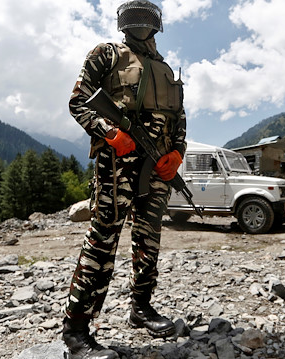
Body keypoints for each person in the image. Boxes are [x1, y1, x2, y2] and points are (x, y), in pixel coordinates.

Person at [62, 1, 186, 358]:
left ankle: (141, 308)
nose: (142, 19)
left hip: (159, 164)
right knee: (103, 239)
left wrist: (176, 152)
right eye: (136, 12)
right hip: (118, 161)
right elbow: (78, 101)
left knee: (149, 237)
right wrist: (108, 131)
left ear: (157, 22)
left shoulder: (165, 69)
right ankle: (76, 330)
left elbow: (179, 119)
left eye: (148, 12)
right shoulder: (106, 53)